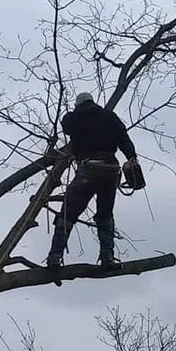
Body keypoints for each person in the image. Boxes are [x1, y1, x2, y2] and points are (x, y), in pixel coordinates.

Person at [46, 92, 139, 271]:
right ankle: (107, 257)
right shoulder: (109, 116)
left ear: (78, 104)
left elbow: (66, 126)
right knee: (105, 214)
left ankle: (55, 256)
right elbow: (124, 139)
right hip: (111, 169)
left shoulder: (72, 119)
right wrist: (132, 157)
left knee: (68, 212)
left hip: (88, 169)